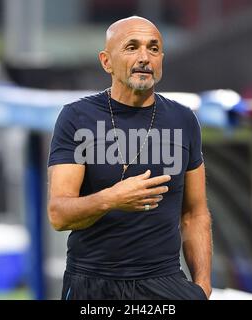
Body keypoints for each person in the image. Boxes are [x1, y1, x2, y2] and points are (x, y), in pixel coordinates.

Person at [47, 16, 212, 300]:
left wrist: (203, 286)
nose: (144, 57)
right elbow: (59, 215)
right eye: (132, 47)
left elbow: (194, 213)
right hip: (93, 285)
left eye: (153, 48)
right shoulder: (76, 117)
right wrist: (111, 198)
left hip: (164, 284)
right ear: (106, 61)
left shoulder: (184, 120)